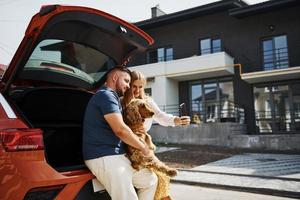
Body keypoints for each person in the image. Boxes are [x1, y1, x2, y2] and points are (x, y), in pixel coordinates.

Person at [83, 67, 158, 200]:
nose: (128, 86)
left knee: (150, 181)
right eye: (127, 81)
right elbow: (120, 130)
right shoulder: (105, 95)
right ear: (115, 78)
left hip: (118, 156)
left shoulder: (112, 97)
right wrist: (143, 147)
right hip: (103, 156)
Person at [122, 70, 190, 132]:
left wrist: (177, 120)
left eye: (140, 87)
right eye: (134, 86)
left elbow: (159, 116)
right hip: (123, 141)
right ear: (129, 85)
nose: (137, 90)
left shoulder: (148, 102)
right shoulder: (121, 101)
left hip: (142, 139)